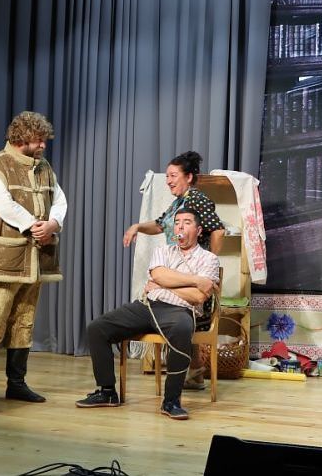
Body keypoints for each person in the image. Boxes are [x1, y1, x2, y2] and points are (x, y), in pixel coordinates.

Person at [77, 208, 220, 420]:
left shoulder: (209, 259)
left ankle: (171, 401)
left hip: (179, 310)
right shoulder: (163, 251)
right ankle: (107, 392)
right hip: (147, 306)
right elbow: (159, 274)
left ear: (198, 230)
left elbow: (198, 296)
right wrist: (195, 280)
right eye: (177, 222)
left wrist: (164, 284)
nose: (180, 227)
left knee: (182, 329)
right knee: (97, 328)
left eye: (187, 222)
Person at [0, 111, 67, 407]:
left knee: (24, 320)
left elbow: (59, 199)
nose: (44, 146)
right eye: (39, 140)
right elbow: (4, 205)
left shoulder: (44, 168)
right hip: (3, 258)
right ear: (23, 137)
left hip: (34, 257)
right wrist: (35, 226)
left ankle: (17, 383)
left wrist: (53, 224)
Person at [122, 151, 224, 389]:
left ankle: (184, 375)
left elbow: (218, 230)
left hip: (193, 276)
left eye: (173, 175)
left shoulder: (196, 199)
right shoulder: (179, 203)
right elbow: (159, 225)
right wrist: (137, 226)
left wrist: (208, 263)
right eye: (167, 176)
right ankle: (195, 374)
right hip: (178, 271)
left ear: (189, 177)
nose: (168, 181)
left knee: (166, 303)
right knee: (157, 291)